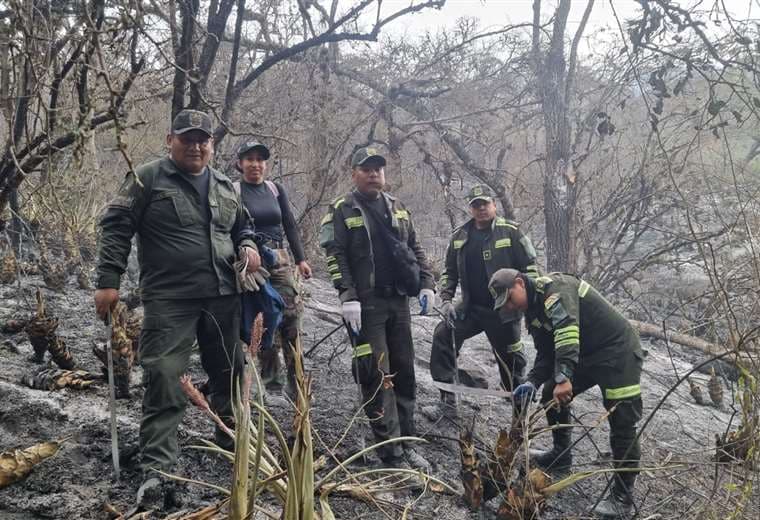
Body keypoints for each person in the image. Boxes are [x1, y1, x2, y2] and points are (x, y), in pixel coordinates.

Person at [95, 109, 261, 510]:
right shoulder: (147, 178)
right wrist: (107, 281)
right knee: (165, 377)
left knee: (230, 371)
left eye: (203, 139)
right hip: (170, 299)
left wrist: (250, 246)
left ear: (212, 144)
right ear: (170, 139)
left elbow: (244, 225)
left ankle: (230, 435)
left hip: (223, 296)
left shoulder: (224, 184)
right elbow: (116, 226)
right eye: (187, 138)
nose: (196, 145)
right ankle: (157, 468)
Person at [489, 268, 644, 519]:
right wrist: (532, 381)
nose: (509, 306)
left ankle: (622, 497)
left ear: (520, 283)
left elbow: (567, 332)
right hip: (587, 354)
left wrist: (564, 377)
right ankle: (561, 456)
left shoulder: (555, 290)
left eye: (509, 298)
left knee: (622, 419)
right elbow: (546, 352)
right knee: (551, 392)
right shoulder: (533, 309)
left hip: (617, 353)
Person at [319, 146, 435, 471]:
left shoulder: (397, 207)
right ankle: (390, 452)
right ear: (353, 172)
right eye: (366, 168)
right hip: (365, 306)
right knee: (376, 373)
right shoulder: (341, 210)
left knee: (404, 371)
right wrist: (347, 295)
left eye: (378, 169)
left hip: (398, 302)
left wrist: (427, 283)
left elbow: (415, 247)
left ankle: (407, 441)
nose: (373, 174)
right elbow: (334, 255)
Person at [429, 185, 539, 416]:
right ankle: (447, 403)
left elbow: (531, 271)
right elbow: (449, 272)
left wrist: (529, 306)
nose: (481, 209)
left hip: (504, 311)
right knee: (443, 335)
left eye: (485, 204)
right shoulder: (460, 236)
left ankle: (520, 420)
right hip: (471, 307)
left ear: (494, 205)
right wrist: (447, 299)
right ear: (470, 207)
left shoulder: (511, 232)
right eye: (476, 205)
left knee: (512, 365)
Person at [234, 140, 312, 400]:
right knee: (263, 321)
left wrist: (300, 259)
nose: (255, 164)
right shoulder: (233, 191)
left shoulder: (274, 189)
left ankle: (297, 381)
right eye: (249, 159)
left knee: (291, 319)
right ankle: (271, 383)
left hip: (279, 260)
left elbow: (289, 224)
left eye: (260, 159)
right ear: (240, 163)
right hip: (251, 263)